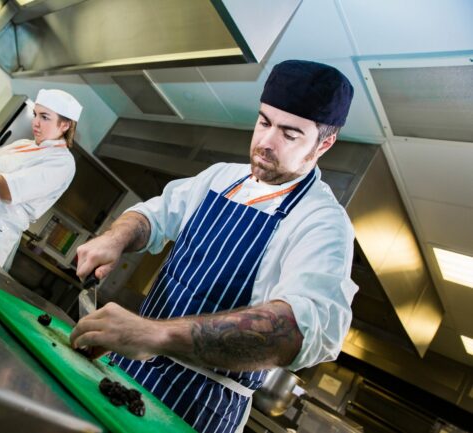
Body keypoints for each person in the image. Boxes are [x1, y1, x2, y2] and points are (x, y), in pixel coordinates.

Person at [70, 60, 358, 433]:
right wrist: (115, 238)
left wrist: (157, 335)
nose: (266, 142)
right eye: (264, 121)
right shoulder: (223, 177)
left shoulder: (322, 222)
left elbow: (302, 327)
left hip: (200, 405)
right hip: (128, 365)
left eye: (289, 134)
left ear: (324, 144)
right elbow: (154, 215)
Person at [0, 89, 82, 270]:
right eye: (35, 115)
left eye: (45, 117)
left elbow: (8, 190)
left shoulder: (62, 162)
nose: (36, 123)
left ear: (65, 125)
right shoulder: (23, 144)